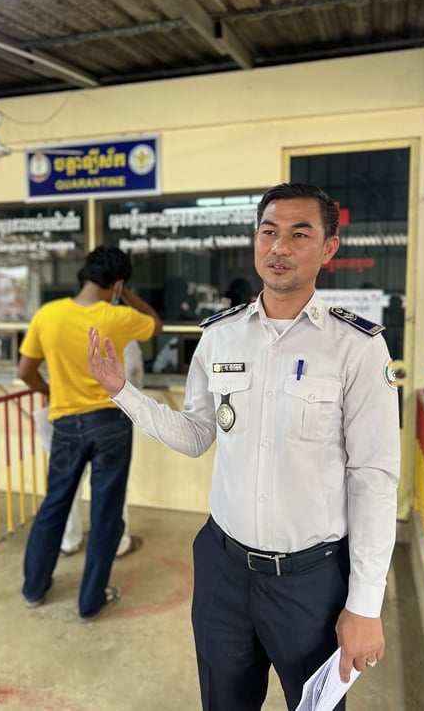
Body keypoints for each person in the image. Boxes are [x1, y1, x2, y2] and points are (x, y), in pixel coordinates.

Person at [88, 183, 400, 708]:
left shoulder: (357, 347)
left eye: (299, 234)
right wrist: (124, 393)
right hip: (223, 570)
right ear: (255, 239)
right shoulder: (221, 335)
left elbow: (373, 479)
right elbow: (197, 434)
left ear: (328, 248)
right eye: (268, 231)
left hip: (311, 582)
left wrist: (365, 604)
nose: (279, 247)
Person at [18, 245, 162, 621]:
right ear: (117, 284)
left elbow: (25, 371)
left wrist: (51, 391)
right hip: (110, 424)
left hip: (65, 423)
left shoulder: (48, 314)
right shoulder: (119, 317)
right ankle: (90, 601)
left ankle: (34, 588)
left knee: (55, 504)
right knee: (106, 512)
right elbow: (155, 324)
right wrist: (126, 295)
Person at [60, 338, 145, 558]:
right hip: (110, 418)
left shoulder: (64, 326)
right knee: (111, 485)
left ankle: (68, 540)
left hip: (68, 416)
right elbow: (134, 370)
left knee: (70, 483)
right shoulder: (121, 327)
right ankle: (117, 543)